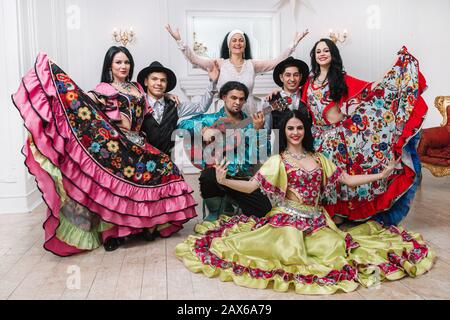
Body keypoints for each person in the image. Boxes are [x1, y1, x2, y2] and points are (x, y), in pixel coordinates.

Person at [175, 109, 434, 295]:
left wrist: (382, 174)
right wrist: (224, 181)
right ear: (285, 132)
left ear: (304, 130)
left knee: (337, 250)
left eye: (299, 128)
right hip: (286, 222)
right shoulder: (278, 161)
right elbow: (252, 185)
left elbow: (347, 180)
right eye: (290, 128)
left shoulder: (320, 159)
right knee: (287, 254)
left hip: (318, 221)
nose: (295, 132)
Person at [11, 46, 197, 256]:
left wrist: (169, 95)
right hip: (115, 146)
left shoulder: (137, 87)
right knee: (114, 190)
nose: (123, 66)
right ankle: (115, 234)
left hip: (138, 143)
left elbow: (153, 98)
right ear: (110, 65)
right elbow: (84, 101)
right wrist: (58, 79)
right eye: (118, 62)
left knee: (165, 168)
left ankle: (149, 224)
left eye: (126, 62)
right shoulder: (104, 88)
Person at [301, 39, 428, 225]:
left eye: (326, 50)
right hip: (317, 137)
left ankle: (340, 213)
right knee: (324, 178)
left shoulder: (341, 79)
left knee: (340, 178)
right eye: (318, 51)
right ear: (314, 56)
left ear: (333, 54)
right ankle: (325, 212)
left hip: (337, 138)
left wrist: (394, 71)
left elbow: (372, 88)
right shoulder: (309, 82)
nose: (321, 54)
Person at [177, 81, 272, 221]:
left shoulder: (252, 123)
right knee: (208, 175)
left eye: (241, 99)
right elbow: (181, 126)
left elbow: (263, 154)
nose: (237, 102)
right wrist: (203, 129)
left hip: (242, 178)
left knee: (265, 211)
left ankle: (231, 202)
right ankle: (216, 211)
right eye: (233, 98)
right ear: (223, 97)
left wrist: (259, 131)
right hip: (216, 173)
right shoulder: (211, 119)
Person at [166, 25, 309, 115]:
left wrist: (293, 44)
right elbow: (194, 59)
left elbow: (276, 62)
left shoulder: (252, 64)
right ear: (228, 45)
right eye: (234, 40)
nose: (237, 43)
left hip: (249, 111)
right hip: (224, 113)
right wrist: (180, 41)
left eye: (241, 40)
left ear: (245, 45)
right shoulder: (218, 64)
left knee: (247, 154)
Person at [138, 60, 220, 155]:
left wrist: (213, 82)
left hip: (167, 162)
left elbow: (201, 107)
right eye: (154, 79)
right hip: (142, 161)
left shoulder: (175, 105)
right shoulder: (138, 104)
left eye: (163, 80)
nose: (159, 83)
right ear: (146, 82)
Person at [266, 56, 310, 130]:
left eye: (296, 75)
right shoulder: (270, 100)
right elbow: (265, 129)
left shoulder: (309, 96)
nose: (292, 79)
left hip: (305, 140)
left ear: (301, 77)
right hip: (278, 140)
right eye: (288, 75)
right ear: (281, 77)